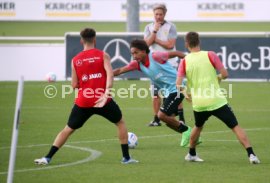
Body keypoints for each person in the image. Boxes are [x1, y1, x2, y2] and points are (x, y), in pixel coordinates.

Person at [34, 28, 138, 165]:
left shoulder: (75, 60)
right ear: (95, 39)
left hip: (83, 101)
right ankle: (126, 158)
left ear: (81, 40)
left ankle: (47, 157)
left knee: (68, 130)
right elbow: (110, 74)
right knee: (120, 123)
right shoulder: (103, 55)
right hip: (103, 99)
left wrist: (86, 84)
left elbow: (74, 85)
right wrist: (106, 91)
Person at [176, 31, 260, 164]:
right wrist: (218, 78)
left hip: (200, 103)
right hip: (217, 101)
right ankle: (252, 155)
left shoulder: (184, 61)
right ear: (199, 42)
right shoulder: (210, 55)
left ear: (186, 44)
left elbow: (178, 85)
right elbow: (225, 74)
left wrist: (186, 94)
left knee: (198, 127)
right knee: (235, 127)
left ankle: (191, 154)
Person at [113, 39, 190, 144]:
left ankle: (188, 132)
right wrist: (103, 74)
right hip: (168, 92)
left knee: (161, 116)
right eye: (132, 53)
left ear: (144, 51)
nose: (134, 56)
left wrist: (191, 60)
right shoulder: (137, 64)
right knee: (169, 120)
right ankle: (190, 135)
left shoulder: (156, 56)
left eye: (136, 52)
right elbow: (119, 71)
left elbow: (176, 53)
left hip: (177, 87)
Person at [144, 3, 185, 127]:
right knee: (155, 94)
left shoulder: (171, 26)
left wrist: (155, 39)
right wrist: (155, 31)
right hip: (154, 67)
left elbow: (170, 45)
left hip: (170, 64)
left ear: (164, 14)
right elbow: (146, 45)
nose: (158, 17)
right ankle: (156, 119)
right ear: (154, 14)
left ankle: (181, 118)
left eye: (160, 14)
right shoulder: (149, 27)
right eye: (156, 14)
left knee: (175, 91)